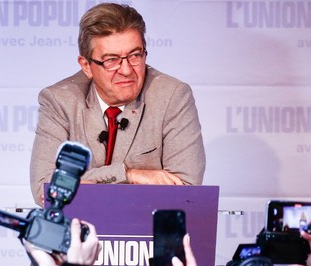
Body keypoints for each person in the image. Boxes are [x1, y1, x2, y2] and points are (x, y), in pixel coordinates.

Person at [29, 2, 205, 205]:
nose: (127, 70)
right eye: (112, 60)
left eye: (135, 55)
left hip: (147, 229)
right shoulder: (60, 100)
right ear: (86, 65)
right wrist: (128, 174)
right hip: (77, 231)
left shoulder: (172, 96)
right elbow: (45, 187)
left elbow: (185, 190)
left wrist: (88, 182)